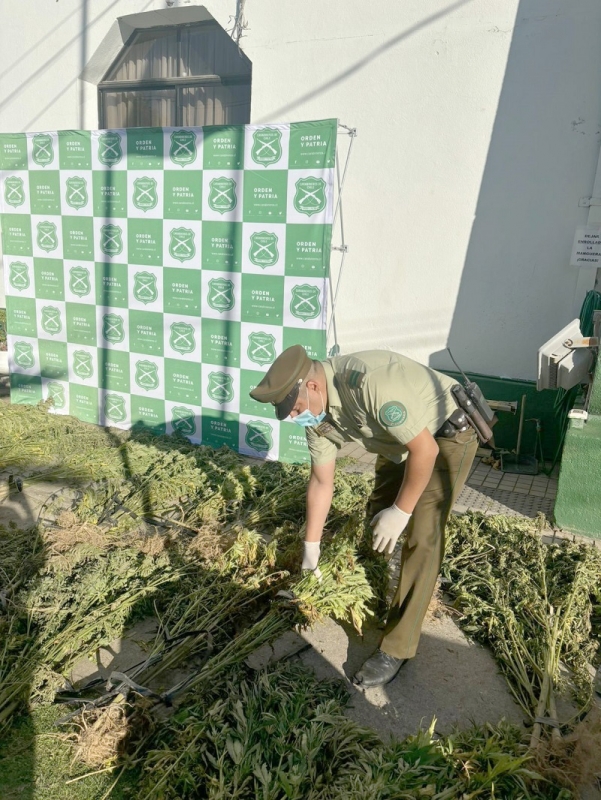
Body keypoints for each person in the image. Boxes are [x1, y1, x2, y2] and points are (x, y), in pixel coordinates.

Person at [250, 345, 478, 688]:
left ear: (312, 387)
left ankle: (398, 646)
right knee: (379, 509)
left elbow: (425, 450)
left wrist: (401, 513)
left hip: (446, 434)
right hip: (396, 441)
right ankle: (382, 575)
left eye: (295, 409)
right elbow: (321, 481)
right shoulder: (317, 414)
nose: (296, 418)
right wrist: (311, 549)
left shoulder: (369, 383)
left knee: (422, 532)